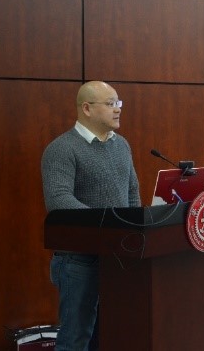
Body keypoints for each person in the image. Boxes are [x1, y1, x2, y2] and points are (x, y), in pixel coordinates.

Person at [41, 81, 141, 350]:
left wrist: (134, 232)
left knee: (111, 336)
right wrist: (109, 226)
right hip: (78, 260)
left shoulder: (122, 145)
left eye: (118, 103)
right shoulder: (62, 149)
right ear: (86, 108)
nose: (118, 109)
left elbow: (132, 193)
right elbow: (59, 201)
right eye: (110, 104)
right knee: (76, 339)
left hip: (117, 256)